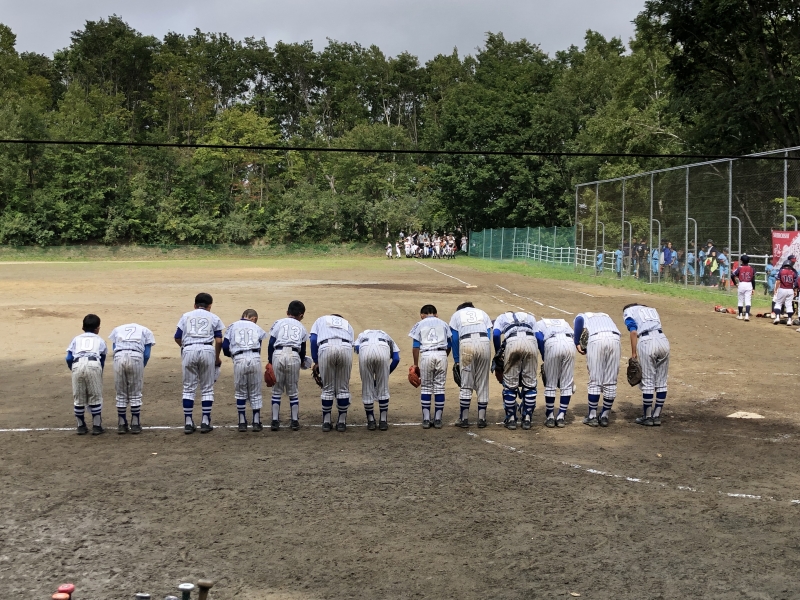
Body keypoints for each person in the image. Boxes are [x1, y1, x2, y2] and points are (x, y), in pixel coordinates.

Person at [175, 293, 224, 434]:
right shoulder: (214, 317)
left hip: (189, 349)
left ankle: (188, 423)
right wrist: (217, 357)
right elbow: (219, 340)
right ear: (210, 306)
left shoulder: (186, 316)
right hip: (207, 350)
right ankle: (205, 422)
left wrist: (186, 348)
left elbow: (177, 337)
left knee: (188, 388)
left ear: (195, 305)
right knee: (207, 388)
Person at [623, 304, 670, 426]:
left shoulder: (628, 311)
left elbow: (633, 331)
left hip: (647, 342)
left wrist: (634, 353)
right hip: (663, 340)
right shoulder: (652, 309)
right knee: (661, 382)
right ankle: (657, 416)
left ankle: (647, 417)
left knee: (648, 381)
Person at [573, 311, 621, 427]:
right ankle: (604, 416)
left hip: (596, 339)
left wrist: (577, 343)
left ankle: (592, 416)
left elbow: (579, 323)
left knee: (595, 380)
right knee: (610, 381)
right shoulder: (606, 315)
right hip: (615, 339)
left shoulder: (582, 316)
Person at [267, 301, 310, 431]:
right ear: (301, 315)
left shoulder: (278, 322)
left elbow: (271, 343)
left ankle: (275, 421)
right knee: (293, 391)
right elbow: (303, 348)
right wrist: (301, 361)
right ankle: (294, 421)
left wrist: (270, 361)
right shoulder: (302, 327)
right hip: (294, 355)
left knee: (276, 390)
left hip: (278, 354)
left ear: (287, 312)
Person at [223, 309, 267, 432]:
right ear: (253, 318)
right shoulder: (256, 327)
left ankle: (242, 422)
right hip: (255, 358)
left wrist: (233, 355)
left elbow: (225, 347)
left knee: (240, 391)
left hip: (239, 358)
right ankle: (256, 422)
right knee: (255, 391)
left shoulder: (232, 326)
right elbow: (259, 345)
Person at [450, 302, 493, 428]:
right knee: (483, 383)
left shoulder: (457, 314)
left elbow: (454, 338)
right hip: (484, 343)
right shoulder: (482, 313)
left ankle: (464, 419)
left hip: (466, 344)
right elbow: (489, 333)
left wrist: (457, 360)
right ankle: (482, 419)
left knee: (466, 383)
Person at [493, 311, 538, 430]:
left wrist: (498, 353)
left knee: (510, 385)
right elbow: (538, 336)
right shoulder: (530, 316)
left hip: (512, 342)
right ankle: (527, 419)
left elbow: (496, 334)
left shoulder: (501, 317)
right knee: (530, 384)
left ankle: (511, 419)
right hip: (531, 342)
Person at [408, 305, 452, 428]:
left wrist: (415, 364)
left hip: (426, 355)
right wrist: (444, 356)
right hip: (441, 354)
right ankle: (438, 420)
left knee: (426, 388)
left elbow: (416, 346)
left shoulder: (419, 324)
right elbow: (450, 344)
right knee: (440, 388)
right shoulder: (444, 324)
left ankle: (426, 420)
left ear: (422, 315)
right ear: (436, 314)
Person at [108, 322, 155, 434]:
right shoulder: (146, 330)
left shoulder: (117, 329)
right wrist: (141, 366)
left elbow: (114, 348)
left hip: (119, 357)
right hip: (136, 357)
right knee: (135, 393)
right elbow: (146, 354)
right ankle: (135, 424)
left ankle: (121, 424)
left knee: (121, 393)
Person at [310, 313, 355, 432]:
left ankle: (326, 422)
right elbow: (352, 344)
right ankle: (341, 422)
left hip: (326, 347)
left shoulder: (320, 320)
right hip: (345, 348)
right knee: (343, 388)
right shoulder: (347, 324)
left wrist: (316, 360)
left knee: (327, 389)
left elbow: (313, 339)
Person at [66, 314, 107, 435]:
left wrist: (73, 368)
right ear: (97, 328)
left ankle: (81, 426)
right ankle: (97, 426)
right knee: (95, 396)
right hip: (93, 364)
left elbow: (68, 358)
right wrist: (99, 373)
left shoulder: (75, 339)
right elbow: (102, 360)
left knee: (79, 397)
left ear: (83, 327)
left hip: (77, 364)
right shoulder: (100, 340)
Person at [354, 329, 400, 430]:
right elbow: (396, 359)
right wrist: (385, 374)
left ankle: (371, 421)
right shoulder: (387, 336)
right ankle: (383, 421)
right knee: (383, 388)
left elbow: (357, 348)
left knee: (367, 387)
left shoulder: (362, 335)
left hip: (365, 349)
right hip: (383, 350)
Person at [535, 317, 576, 428]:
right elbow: (574, 336)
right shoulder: (564, 322)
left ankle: (550, 417)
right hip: (569, 344)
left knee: (551, 384)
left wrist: (544, 355)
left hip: (552, 344)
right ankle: (561, 416)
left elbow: (539, 338)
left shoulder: (539, 323)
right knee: (567, 383)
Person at [773, 256, 797, 326]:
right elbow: (795, 282)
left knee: (778, 303)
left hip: (782, 289)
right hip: (790, 290)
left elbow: (778, 281)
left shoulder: (781, 271)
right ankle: (789, 320)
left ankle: (777, 317)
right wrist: (795, 290)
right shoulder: (793, 272)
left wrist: (776, 289)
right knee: (789, 305)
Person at [731, 255, 755, 321]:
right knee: (748, 300)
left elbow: (732, 275)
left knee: (740, 300)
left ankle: (740, 315)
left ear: (741, 261)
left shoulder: (739, 268)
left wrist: (735, 283)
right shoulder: (751, 268)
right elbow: (753, 279)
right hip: (749, 284)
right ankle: (747, 315)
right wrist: (753, 288)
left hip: (741, 284)